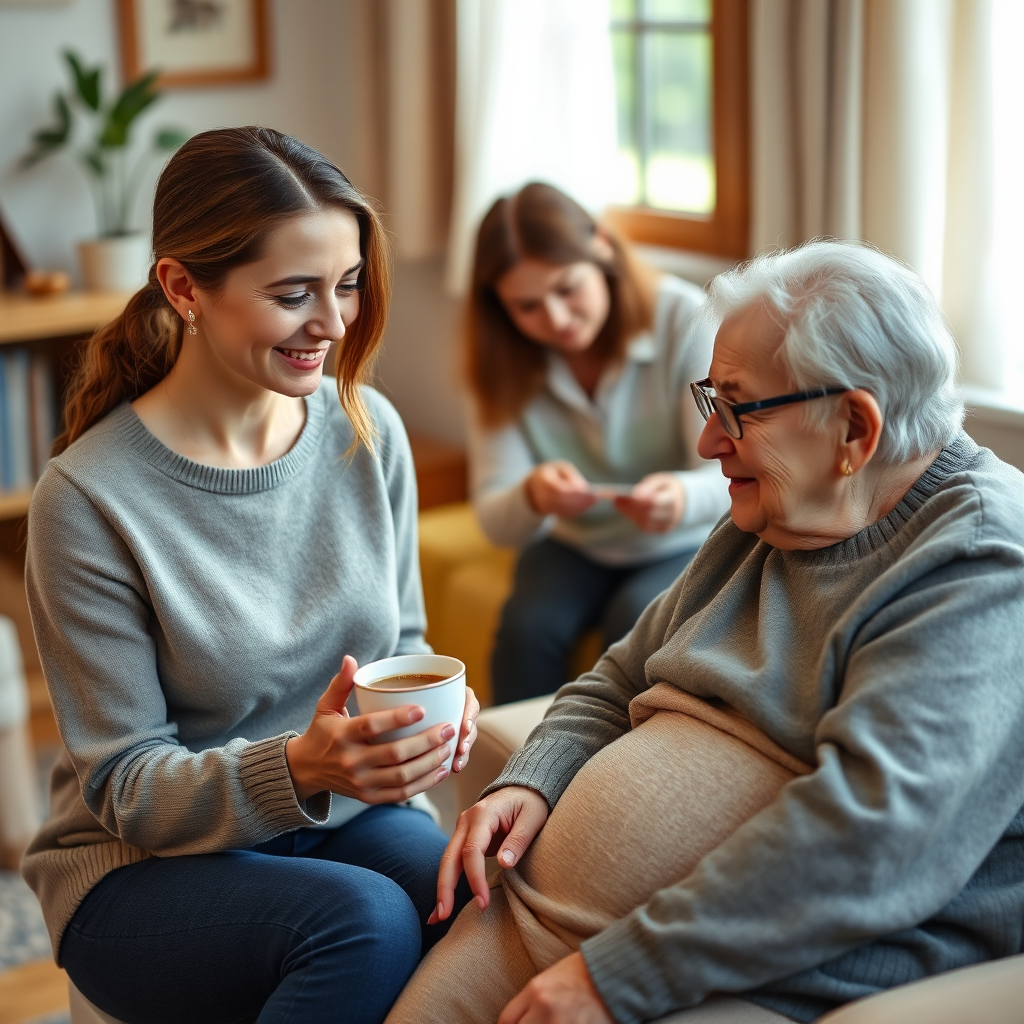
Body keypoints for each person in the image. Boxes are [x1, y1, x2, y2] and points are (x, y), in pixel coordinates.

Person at [384, 240, 1024, 1024]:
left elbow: (872, 835)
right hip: (535, 923)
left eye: (737, 409)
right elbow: (618, 677)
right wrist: (533, 776)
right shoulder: (778, 514)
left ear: (854, 429)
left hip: (729, 974)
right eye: (709, 401)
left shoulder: (980, 563)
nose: (707, 443)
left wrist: (614, 976)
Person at [20, 127, 478, 1024]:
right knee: (365, 924)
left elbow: (401, 646)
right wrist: (300, 765)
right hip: (141, 867)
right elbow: (126, 787)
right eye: (293, 293)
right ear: (183, 288)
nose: (334, 323)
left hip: (338, 816)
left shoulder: (368, 431)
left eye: (347, 283)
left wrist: (433, 716)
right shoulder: (86, 499)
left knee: (480, 893)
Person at [466, 183, 729, 704]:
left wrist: (682, 498)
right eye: (527, 306)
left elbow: (733, 466)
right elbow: (495, 519)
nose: (557, 319)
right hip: (573, 543)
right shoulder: (502, 359)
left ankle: (610, 759)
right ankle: (519, 756)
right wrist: (533, 496)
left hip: (678, 539)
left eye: (567, 289)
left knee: (633, 622)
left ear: (602, 247)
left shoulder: (687, 320)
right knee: (527, 630)